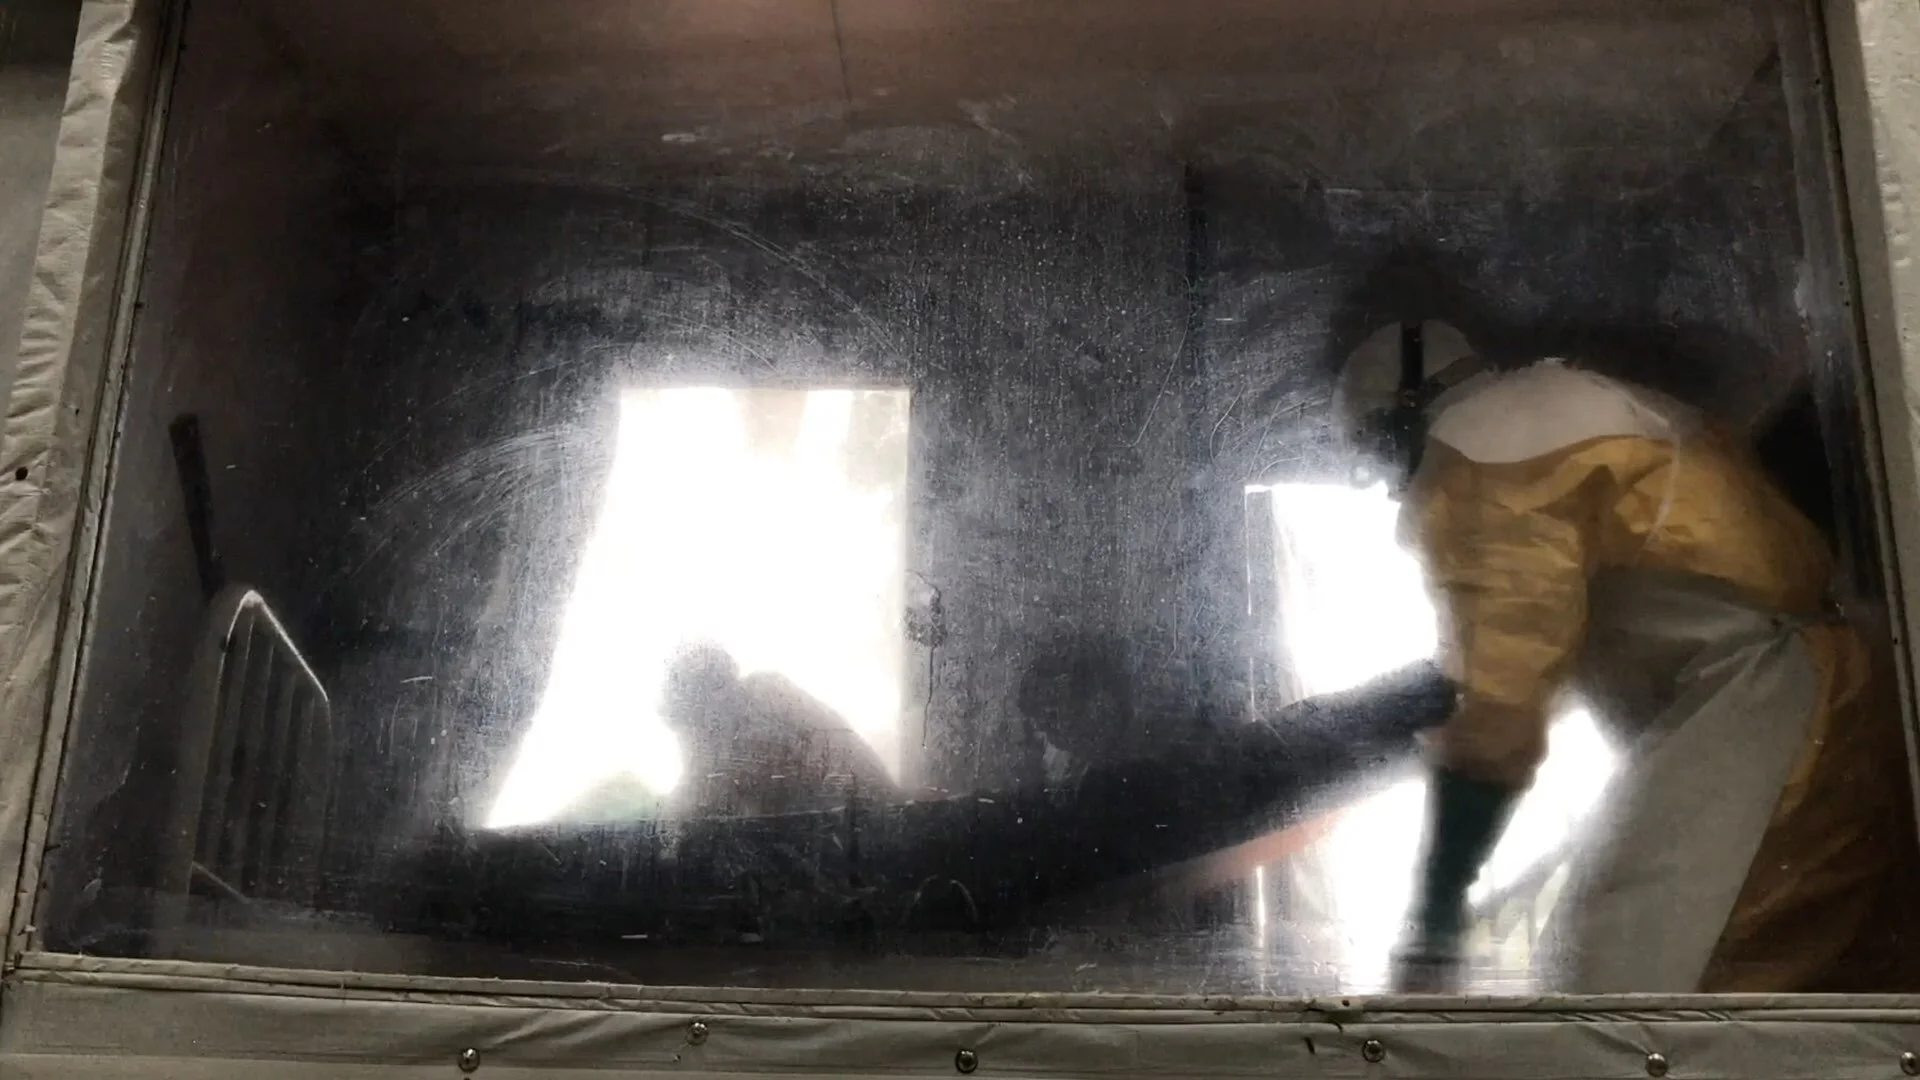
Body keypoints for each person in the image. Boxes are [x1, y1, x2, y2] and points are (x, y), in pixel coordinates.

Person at [1333, 319, 1917, 993]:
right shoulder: (1588, 401)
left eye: (1377, 449)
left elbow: (1502, 709)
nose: (1388, 480)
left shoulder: (1475, 459)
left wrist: (1433, 925)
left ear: (1403, 415)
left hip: (1759, 714)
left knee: (1628, 998)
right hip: (1840, 693)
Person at [661, 644, 893, 817]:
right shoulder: (727, 729)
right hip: (850, 827)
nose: (691, 742)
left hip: (869, 826)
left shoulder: (765, 701)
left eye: (695, 728)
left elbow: (708, 786)